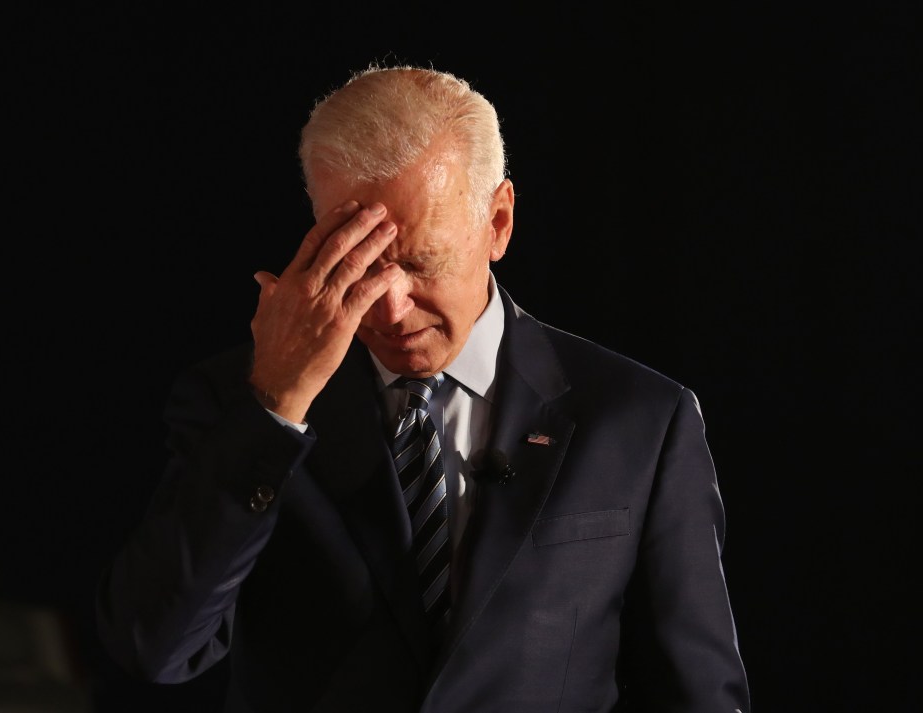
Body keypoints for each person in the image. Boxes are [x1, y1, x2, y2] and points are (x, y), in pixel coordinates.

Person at [95, 64, 751, 712]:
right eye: (358, 263)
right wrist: (275, 406)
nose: (389, 308)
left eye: (419, 262)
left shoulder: (641, 421)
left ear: (498, 222)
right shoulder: (234, 400)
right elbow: (155, 646)